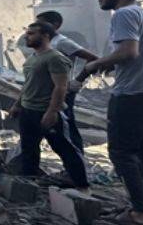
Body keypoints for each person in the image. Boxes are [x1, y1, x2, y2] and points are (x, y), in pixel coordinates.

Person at [77, 0, 143, 225]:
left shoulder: (124, 14)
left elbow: (129, 52)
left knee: (121, 152)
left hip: (131, 95)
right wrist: (114, 65)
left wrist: (95, 65)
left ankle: (141, 213)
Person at [6, 21, 90, 189]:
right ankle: (29, 182)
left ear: (45, 36)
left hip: (46, 111)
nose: (27, 37)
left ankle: (81, 184)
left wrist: (52, 112)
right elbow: (28, 84)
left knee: (64, 147)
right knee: (29, 148)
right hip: (28, 111)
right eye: (28, 33)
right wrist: (17, 105)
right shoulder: (32, 58)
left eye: (32, 33)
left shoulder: (55, 57)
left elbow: (61, 87)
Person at [34, 10, 99, 155]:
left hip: (62, 90)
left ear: (55, 25)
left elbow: (93, 58)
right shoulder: (47, 43)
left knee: (66, 128)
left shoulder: (62, 42)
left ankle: (77, 162)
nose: (37, 27)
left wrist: (78, 80)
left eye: (41, 24)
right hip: (46, 91)